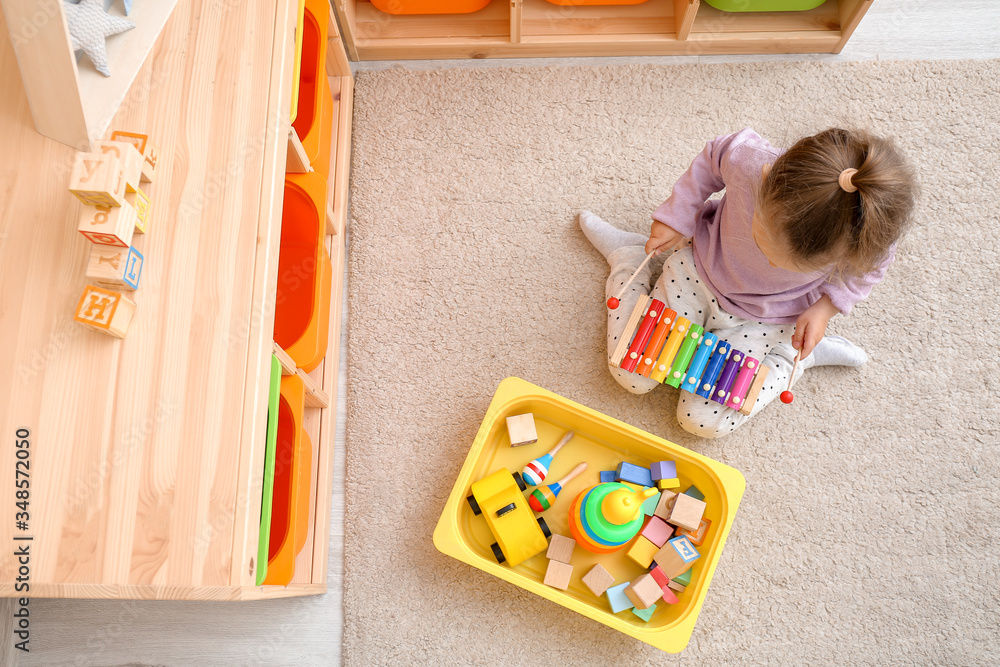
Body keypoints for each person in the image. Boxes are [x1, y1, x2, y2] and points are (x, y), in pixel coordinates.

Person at [580, 127, 916, 438]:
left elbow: (869, 271)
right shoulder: (749, 160)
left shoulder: (865, 234)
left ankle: (799, 357)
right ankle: (629, 256)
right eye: (766, 244)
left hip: (768, 319)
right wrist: (676, 217)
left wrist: (824, 309)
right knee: (631, 374)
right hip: (698, 273)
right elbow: (711, 160)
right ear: (766, 179)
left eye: (790, 263)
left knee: (702, 421)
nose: (771, 262)